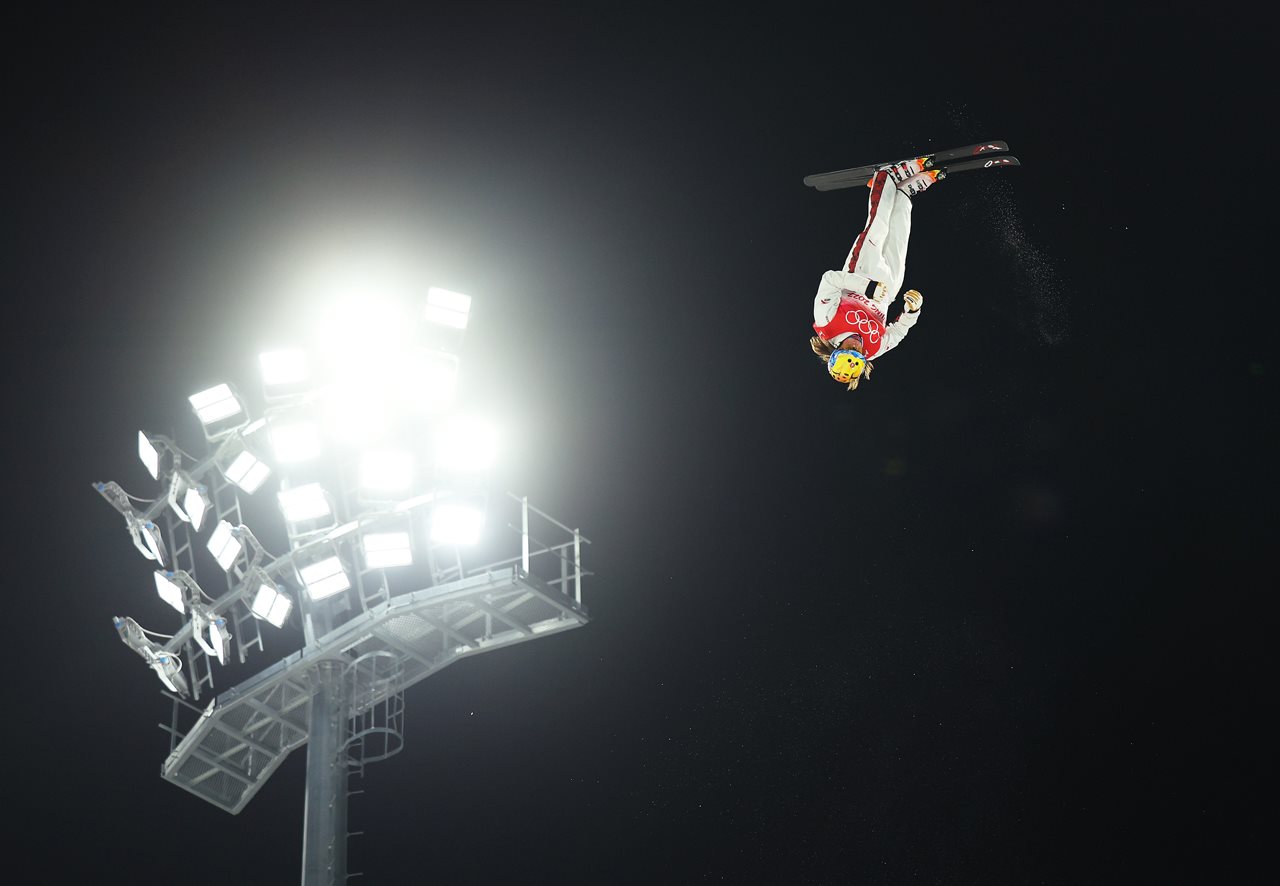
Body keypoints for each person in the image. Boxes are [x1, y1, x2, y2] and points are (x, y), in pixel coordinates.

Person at [809, 159, 943, 390]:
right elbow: (898, 333)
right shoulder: (874, 350)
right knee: (900, 234)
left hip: (862, 270)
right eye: (859, 356)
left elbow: (829, 279)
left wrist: (866, 288)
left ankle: (885, 177)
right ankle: (903, 193)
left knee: (878, 225)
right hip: (889, 288)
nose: (857, 347)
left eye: (849, 351)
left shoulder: (827, 323)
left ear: (837, 350)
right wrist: (913, 311)